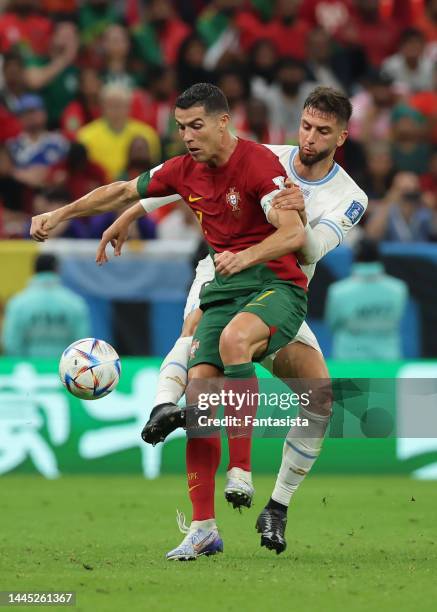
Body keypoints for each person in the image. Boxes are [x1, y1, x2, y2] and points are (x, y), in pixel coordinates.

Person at [29, 83, 309, 561]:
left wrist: (245, 258)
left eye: (196, 125)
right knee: (199, 396)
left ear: (225, 121)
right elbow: (120, 190)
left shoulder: (261, 165)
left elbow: (293, 233)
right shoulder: (183, 170)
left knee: (238, 343)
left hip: (275, 285)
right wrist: (60, 213)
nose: (188, 136)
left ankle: (240, 471)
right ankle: (203, 529)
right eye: (181, 128)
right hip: (224, 289)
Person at [95, 86, 368, 555]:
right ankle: (173, 431)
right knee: (196, 342)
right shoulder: (269, 156)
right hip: (222, 269)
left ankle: (277, 507)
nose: (309, 139)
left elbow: (309, 248)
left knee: (320, 397)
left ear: (341, 136)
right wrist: (132, 213)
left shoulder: (350, 197)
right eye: (305, 126)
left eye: (323, 132)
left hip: (278, 289)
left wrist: (295, 219)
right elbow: (190, 176)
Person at [325, 239, 408, 359]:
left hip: (349, 362)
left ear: (354, 259)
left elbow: (332, 325)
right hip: (387, 362)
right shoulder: (399, 288)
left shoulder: (338, 291)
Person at [1, 253, 91, 358]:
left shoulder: (17, 303)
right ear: (57, 270)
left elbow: (11, 343)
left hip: (28, 371)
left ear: (34, 271)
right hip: (64, 370)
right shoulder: (75, 303)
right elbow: (81, 344)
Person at [76, 83, 161, 180]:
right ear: (102, 107)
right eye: (111, 105)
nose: (116, 110)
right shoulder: (85, 136)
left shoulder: (147, 135)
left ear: (129, 106)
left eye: (120, 105)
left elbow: (155, 170)